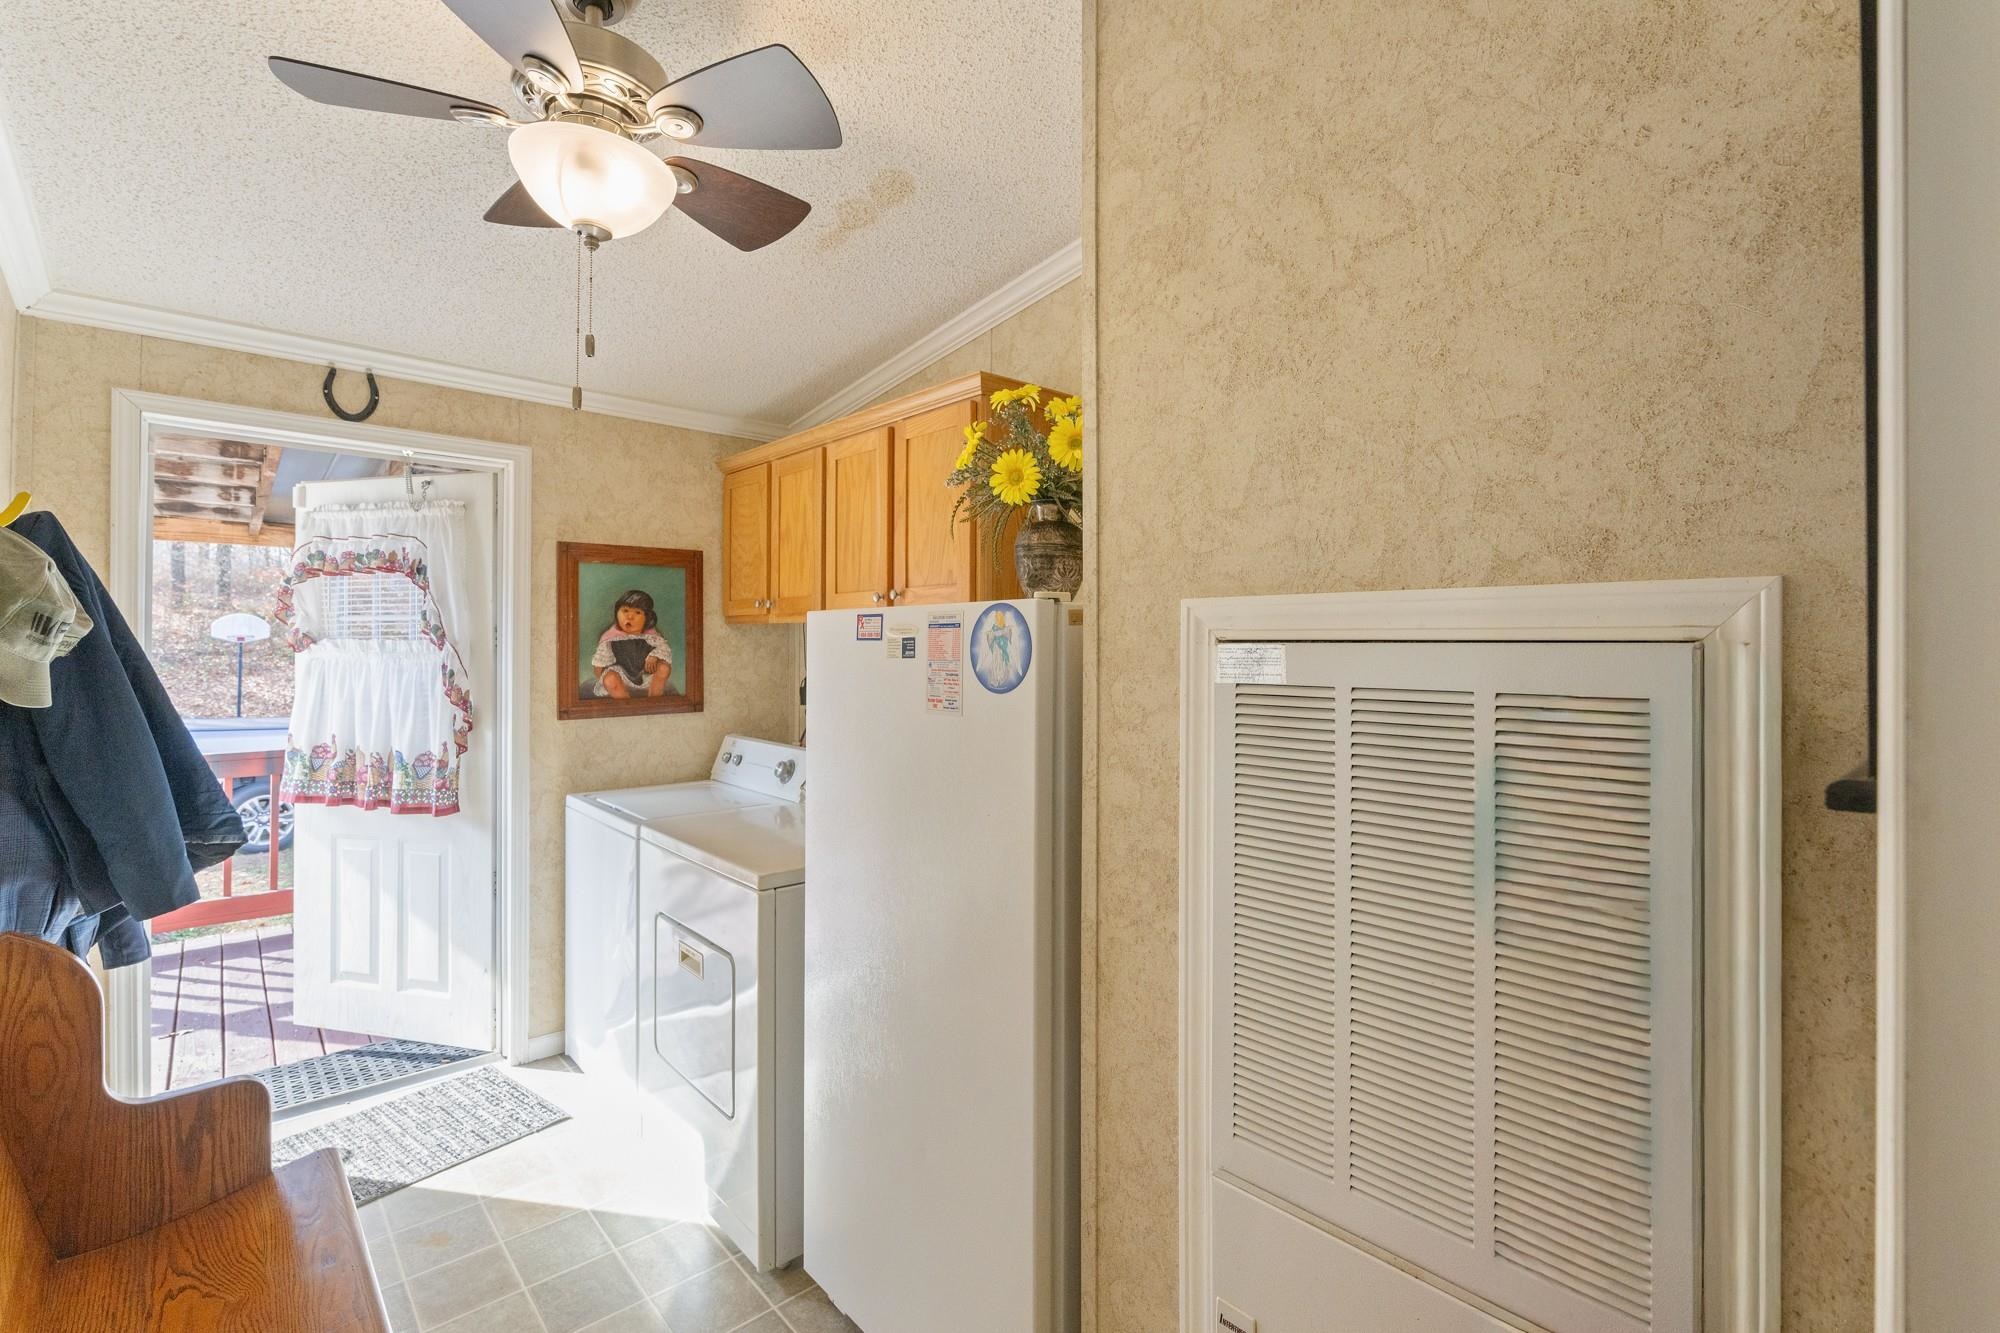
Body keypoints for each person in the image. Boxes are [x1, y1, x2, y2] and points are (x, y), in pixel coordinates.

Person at [590, 589, 674, 699]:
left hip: (646, 672)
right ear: (616, 613)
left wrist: (654, 655)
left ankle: (654, 699)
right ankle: (624, 702)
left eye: (637, 612)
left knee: (664, 667)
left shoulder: (651, 635)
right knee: (609, 679)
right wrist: (603, 677)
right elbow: (599, 664)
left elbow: (665, 650)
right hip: (622, 675)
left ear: (647, 618)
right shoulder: (611, 637)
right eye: (625, 611)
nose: (630, 617)